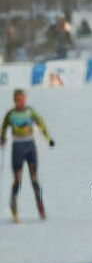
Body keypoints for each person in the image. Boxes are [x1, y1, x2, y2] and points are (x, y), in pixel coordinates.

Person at [3, 89, 54, 222]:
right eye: (17, 100)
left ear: (25, 99)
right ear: (14, 100)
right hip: (18, 148)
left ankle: (40, 207)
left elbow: (41, 123)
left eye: (22, 99)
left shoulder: (30, 112)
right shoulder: (11, 114)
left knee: (34, 178)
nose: (20, 102)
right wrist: (2, 138)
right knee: (17, 179)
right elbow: (4, 127)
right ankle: (14, 208)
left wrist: (48, 139)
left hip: (30, 147)